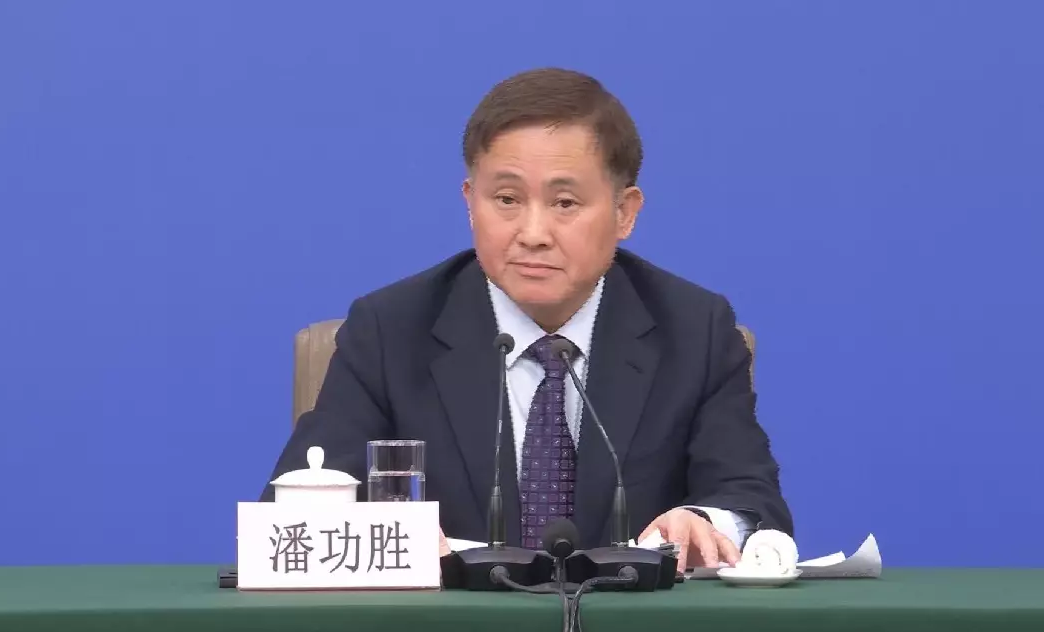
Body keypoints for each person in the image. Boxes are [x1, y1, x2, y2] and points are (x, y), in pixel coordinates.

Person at [260, 67, 792, 573]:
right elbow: (290, 518)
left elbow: (752, 502)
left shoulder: (694, 331)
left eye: (565, 203)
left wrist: (704, 523)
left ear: (625, 212)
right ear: (471, 203)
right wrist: (391, 538)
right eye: (507, 199)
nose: (533, 233)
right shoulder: (390, 330)